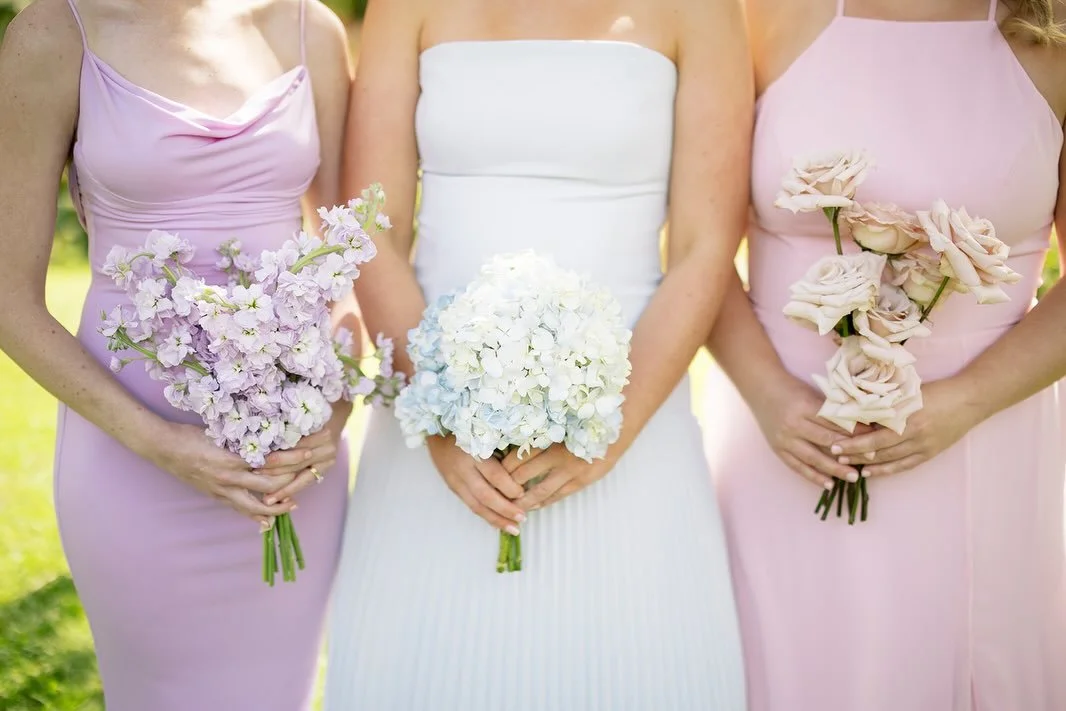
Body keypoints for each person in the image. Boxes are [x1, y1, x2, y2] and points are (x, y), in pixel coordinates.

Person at [323, 0, 752, 707]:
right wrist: (437, 415)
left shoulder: (702, 10)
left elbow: (705, 248)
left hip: (632, 425)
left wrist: (607, 435)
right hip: (433, 429)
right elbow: (371, 228)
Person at [703, 0, 1066, 708]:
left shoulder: (1052, 34)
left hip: (983, 446)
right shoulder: (761, 16)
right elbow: (695, 247)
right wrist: (770, 394)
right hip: (785, 444)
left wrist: (965, 401)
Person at [0, 0, 353, 708]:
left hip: (288, 472)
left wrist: (334, 407)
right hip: (131, 465)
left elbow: (344, 257)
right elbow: (9, 299)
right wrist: (162, 444)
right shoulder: (55, 31)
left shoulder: (308, 26)